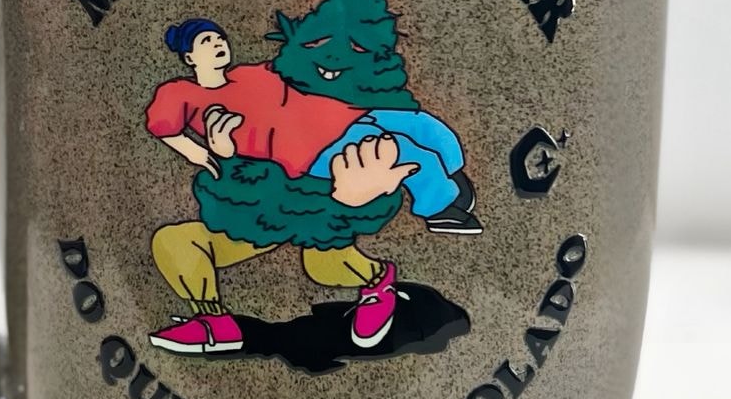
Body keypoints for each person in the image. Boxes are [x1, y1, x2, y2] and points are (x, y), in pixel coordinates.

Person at [143, 18, 479, 355]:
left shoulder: (250, 74)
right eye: (206, 42)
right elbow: (163, 126)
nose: (218, 44)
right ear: (189, 57)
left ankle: (455, 179)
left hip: (337, 116)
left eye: (218, 38)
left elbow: (297, 73)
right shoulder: (183, 94)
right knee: (402, 152)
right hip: (302, 159)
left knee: (418, 124)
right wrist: (203, 153)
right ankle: (435, 212)